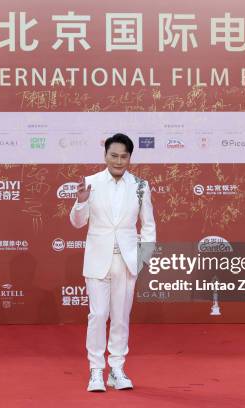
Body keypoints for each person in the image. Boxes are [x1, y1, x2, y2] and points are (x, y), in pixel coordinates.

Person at [70, 133, 156, 392]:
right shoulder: (91, 182)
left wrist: (142, 259)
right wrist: (80, 202)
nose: (118, 161)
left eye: (124, 156)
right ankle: (96, 370)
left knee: (120, 317)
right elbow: (77, 222)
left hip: (127, 261)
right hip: (98, 258)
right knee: (98, 315)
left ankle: (116, 369)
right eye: (113, 155)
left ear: (130, 157)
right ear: (105, 155)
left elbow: (148, 226)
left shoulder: (141, 186)